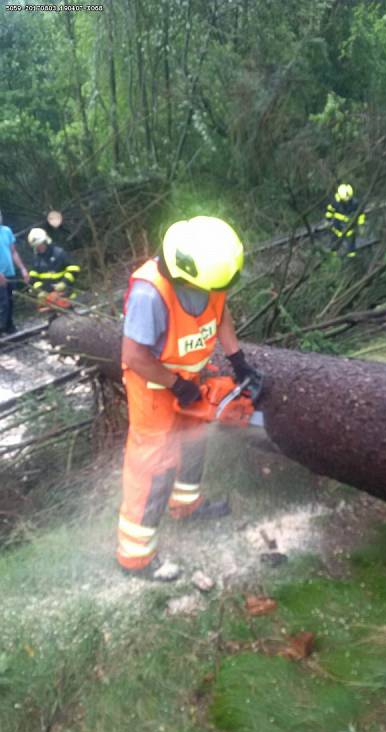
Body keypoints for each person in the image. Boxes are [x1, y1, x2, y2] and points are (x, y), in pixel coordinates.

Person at [117, 215, 261, 579]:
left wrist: (237, 360)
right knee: (154, 468)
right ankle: (136, 557)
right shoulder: (151, 293)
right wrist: (175, 384)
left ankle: (186, 506)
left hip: (188, 378)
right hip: (152, 388)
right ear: (185, 270)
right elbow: (134, 355)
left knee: (194, 442)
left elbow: (220, 310)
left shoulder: (209, 273)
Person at [27, 228, 80, 308]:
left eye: (40, 244)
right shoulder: (36, 260)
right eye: (37, 246)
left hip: (66, 293)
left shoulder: (59, 253)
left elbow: (74, 269)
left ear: (46, 241)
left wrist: (64, 283)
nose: (39, 248)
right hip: (49, 298)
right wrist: (40, 291)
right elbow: (33, 280)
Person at [0, 210, 29, 335]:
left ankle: (9, 326)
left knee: (11, 300)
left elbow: (13, 252)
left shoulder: (6, 231)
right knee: (3, 302)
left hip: (9, 272)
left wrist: (22, 269)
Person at [325, 183, 366, 258]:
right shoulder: (335, 202)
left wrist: (361, 225)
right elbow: (330, 211)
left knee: (351, 240)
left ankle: (352, 256)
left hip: (350, 225)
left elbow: (360, 214)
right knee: (335, 240)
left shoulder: (354, 203)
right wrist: (328, 219)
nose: (347, 200)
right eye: (345, 199)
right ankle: (332, 255)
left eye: (349, 198)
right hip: (338, 225)